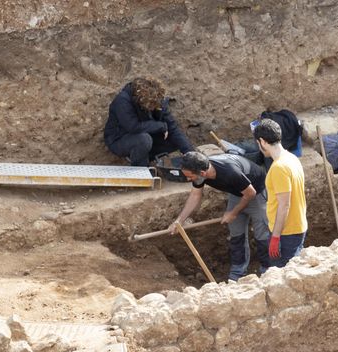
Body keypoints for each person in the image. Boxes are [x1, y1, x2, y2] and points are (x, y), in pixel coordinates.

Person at [170, 151, 271, 281]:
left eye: (190, 177)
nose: (188, 179)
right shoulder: (199, 170)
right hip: (238, 193)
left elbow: (250, 193)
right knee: (236, 234)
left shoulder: (229, 172)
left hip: (257, 192)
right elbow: (195, 195)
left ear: (202, 173)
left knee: (262, 233)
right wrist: (179, 220)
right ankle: (238, 272)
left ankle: (267, 270)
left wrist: (233, 212)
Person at [253, 119, 308, 268]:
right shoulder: (292, 159)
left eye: (258, 144)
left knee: (283, 278)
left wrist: (275, 237)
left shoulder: (279, 168)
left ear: (262, 142)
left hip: (287, 233)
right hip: (296, 227)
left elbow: (284, 205)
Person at [104, 77, 194, 167]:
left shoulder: (159, 100)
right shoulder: (122, 101)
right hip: (119, 139)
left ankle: (143, 156)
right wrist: (160, 126)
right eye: (151, 106)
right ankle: (140, 169)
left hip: (145, 134)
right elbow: (133, 127)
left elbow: (172, 128)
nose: (153, 108)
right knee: (144, 140)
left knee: (176, 140)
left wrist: (191, 154)